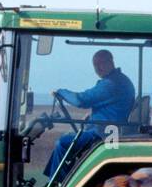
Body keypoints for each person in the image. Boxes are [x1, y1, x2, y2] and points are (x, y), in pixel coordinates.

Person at [47, 49, 136, 177]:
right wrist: (92, 115)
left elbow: (81, 100)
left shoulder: (111, 84)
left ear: (110, 62)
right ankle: (56, 180)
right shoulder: (120, 80)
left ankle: (58, 185)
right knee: (68, 140)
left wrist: (61, 92)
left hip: (103, 132)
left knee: (62, 142)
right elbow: (109, 105)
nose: (97, 68)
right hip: (106, 127)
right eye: (95, 65)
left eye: (100, 63)